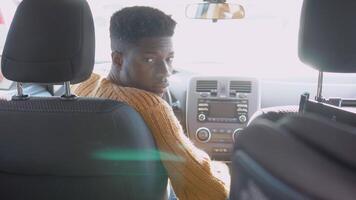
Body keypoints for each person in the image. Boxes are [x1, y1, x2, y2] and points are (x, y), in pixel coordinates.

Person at [73, 6, 230, 200]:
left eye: (169, 59)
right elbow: (209, 193)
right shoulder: (151, 106)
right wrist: (223, 168)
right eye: (149, 60)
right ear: (118, 60)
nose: (165, 72)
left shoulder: (80, 87)